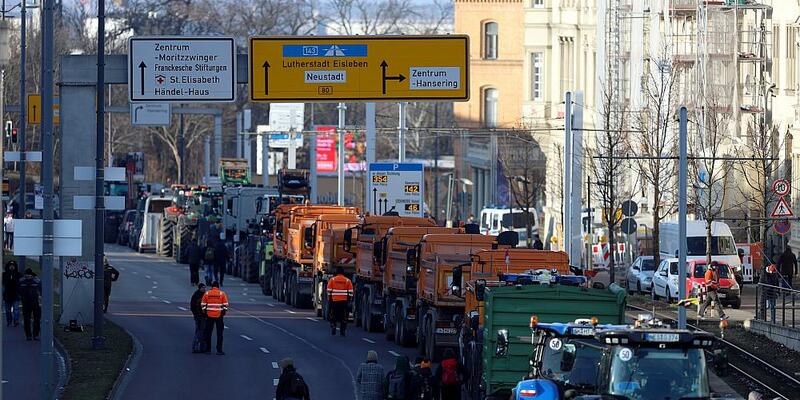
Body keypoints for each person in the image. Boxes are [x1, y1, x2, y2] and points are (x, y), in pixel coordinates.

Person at [201, 281, 228, 355]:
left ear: (212, 287)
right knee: (219, 333)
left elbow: (203, 304)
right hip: (219, 316)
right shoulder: (222, 294)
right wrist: (223, 312)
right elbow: (225, 305)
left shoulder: (207, 293)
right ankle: (219, 350)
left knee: (208, 333)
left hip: (209, 315)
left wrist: (205, 312)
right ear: (218, 287)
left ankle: (208, 349)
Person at [326, 266, 353, 336]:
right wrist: (348, 300)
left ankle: (333, 325)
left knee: (332, 314)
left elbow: (328, 291)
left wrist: (330, 300)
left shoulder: (332, 280)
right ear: (343, 273)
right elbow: (350, 292)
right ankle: (342, 330)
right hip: (344, 302)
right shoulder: (347, 281)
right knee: (344, 316)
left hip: (334, 302)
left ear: (336, 272)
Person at [18, 268, 41, 341]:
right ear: (25, 275)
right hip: (26, 303)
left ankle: (36, 335)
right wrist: (21, 297)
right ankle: (28, 335)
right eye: (27, 275)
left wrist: (40, 297)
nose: (28, 276)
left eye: (29, 275)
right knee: (26, 320)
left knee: (37, 320)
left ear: (32, 275)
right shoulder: (21, 282)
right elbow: (18, 291)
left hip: (36, 303)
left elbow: (41, 290)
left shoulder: (37, 281)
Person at [2, 261, 22, 327]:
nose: (12, 267)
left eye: (13, 265)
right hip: (7, 295)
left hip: (16, 295)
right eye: (10, 265)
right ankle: (9, 321)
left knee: (16, 309)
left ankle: (16, 320)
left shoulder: (18, 275)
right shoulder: (4, 275)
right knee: (8, 310)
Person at [190, 283, 208, 353]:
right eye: (203, 287)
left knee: (203, 332)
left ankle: (202, 347)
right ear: (199, 288)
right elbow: (192, 306)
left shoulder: (205, 295)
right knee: (198, 332)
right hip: (198, 316)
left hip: (204, 316)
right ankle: (195, 347)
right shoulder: (196, 295)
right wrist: (196, 315)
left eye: (204, 287)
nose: (204, 289)